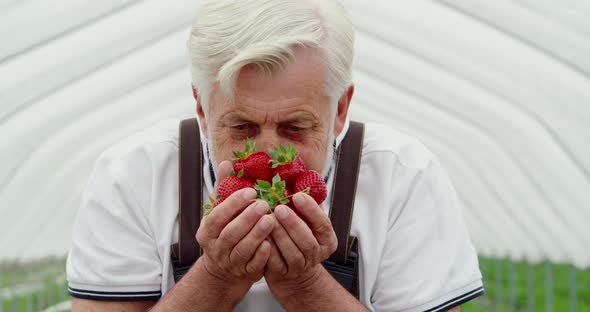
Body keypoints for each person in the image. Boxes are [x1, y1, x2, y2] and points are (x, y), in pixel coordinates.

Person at [66, 0, 484, 311]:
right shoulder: (132, 175)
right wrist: (217, 277)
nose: (268, 151)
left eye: (295, 128)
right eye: (241, 126)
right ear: (200, 107)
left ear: (340, 110)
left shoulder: (403, 176)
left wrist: (306, 285)